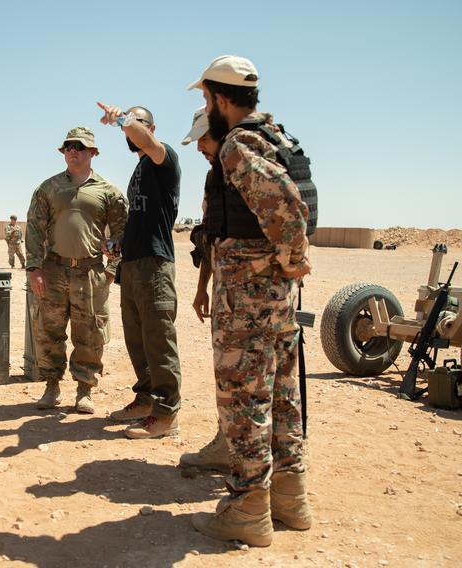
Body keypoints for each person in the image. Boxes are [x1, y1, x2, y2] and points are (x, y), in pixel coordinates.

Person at [185, 55, 312, 547]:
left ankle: (247, 509)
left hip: (248, 296)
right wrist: (289, 263)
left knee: (244, 400)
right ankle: (290, 496)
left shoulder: (239, 143)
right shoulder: (276, 136)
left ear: (219, 98)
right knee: (282, 394)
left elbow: (285, 204)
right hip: (276, 294)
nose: (205, 107)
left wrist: (292, 255)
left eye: (204, 98)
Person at [25, 127, 127, 414]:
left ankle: (84, 390)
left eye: (80, 147)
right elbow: (33, 228)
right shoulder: (48, 188)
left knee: (89, 334)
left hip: (91, 274)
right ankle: (51, 386)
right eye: (69, 147)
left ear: (93, 152)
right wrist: (34, 268)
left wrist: (111, 270)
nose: (73, 151)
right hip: (54, 270)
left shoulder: (108, 192)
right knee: (49, 331)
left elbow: (121, 233)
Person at [96, 102, 182, 440]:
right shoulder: (140, 169)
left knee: (159, 340)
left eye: (139, 122)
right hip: (132, 264)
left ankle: (166, 415)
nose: (131, 130)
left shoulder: (165, 158)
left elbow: (143, 139)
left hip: (155, 264)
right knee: (138, 340)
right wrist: (119, 243)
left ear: (151, 129)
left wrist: (121, 118)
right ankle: (146, 400)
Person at [178, 106, 231, 473]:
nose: (199, 149)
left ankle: (233, 449)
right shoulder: (217, 177)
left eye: (204, 139)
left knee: (240, 378)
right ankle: (227, 442)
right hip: (229, 288)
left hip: (249, 296)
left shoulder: (242, 170)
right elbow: (212, 239)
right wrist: (202, 289)